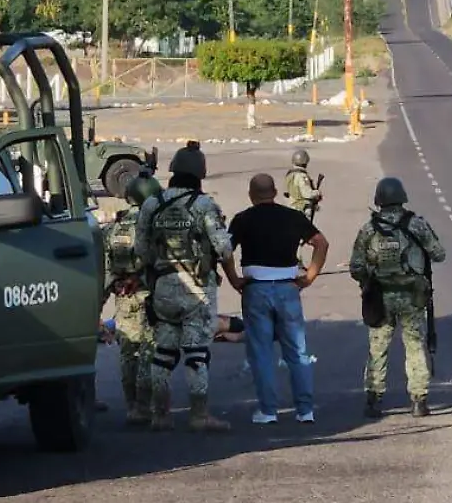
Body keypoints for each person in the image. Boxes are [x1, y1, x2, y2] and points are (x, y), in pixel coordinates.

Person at [135, 144, 234, 432]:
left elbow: (141, 250)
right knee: (196, 353)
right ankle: (199, 415)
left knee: (163, 352)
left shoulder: (152, 204)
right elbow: (224, 248)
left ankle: (160, 414)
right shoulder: (204, 205)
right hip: (198, 290)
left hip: (163, 287)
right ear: (200, 173)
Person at [225, 172, 329, 425]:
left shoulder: (242, 220)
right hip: (288, 288)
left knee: (261, 352)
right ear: (274, 192)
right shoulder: (293, 217)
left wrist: (234, 279)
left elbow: (224, 250)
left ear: (251, 195)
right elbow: (321, 243)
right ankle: (305, 410)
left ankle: (268, 411)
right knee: (297, 351)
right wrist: (310, 276)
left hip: (255, 289)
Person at [350, 177, 447, 419]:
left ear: (378, 200)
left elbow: (356, 267)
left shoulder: (369, 229)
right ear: (402, 197)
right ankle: (419, 401)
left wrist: (368, 282)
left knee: (378, 348)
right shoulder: (416, 225)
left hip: (380, 297)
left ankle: (373, 400)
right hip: (412, 296)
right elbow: (439, 254)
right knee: (415, 346)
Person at [100, 173, 163, 427]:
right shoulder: (156, 226)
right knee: (149, 352)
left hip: (123, 299)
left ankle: (131, 407)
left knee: (128, 353)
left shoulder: (114, 229)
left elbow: (106, 270)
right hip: (151, 297)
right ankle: (145, 407)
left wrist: (99, 302)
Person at [284, 149, 321, 219]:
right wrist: (316, 193)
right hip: (301, 208)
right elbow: (307, 193)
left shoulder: (290, 175)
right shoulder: (302, 176)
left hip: (291, 206)